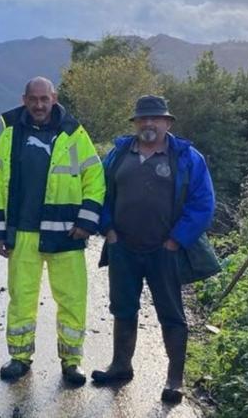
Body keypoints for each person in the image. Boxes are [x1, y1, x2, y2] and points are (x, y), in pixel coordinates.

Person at [91, 95, 215, 404]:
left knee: (172, 315)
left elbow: (202, 203)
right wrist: (108, 229)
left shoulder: (188, 158)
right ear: (134, 123)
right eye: (142, 119)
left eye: (155, 119)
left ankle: (174, 379)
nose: (148, 124)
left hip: (166, 251)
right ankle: (121, 365)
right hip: (123, 248)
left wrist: (176, 240)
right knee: (122, 308)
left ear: (167, 123)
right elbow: (98, 192)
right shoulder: (118, 154)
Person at [0, 76, 105, 386]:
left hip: (66, 233)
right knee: (21, 297)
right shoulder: (10, 134)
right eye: (34, 99)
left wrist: (86, 222)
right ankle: (20, 358)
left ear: (54, 98)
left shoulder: (74, 133)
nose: (39, 105)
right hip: (23, 232)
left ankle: (72, 361)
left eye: (45, 99)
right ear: (24, 99)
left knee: (72, 298)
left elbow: (95, 177)